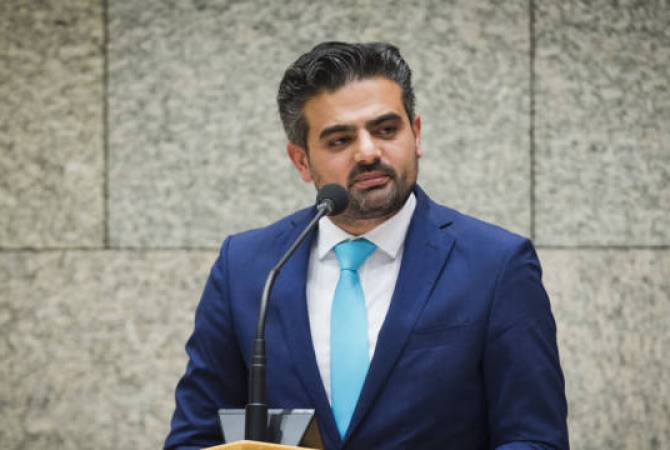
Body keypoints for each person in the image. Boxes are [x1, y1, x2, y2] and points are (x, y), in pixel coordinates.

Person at [165, 42, 569, 450]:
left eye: (386, 130)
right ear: (301, 160)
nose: (369, 152)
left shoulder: (495, 264)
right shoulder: (248, 268)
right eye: (340, 140)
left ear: (416, 134)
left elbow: (533, 439)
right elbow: (194, 438)